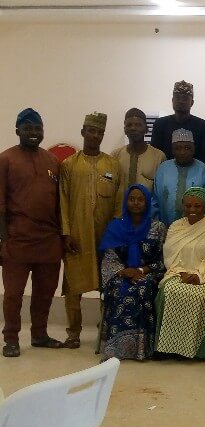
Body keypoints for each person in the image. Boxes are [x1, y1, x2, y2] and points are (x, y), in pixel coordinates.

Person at [1, 108, 64, 357]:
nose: (33, 133)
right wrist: (3, 239)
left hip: (48, 241)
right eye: (28, 128)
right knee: (13, 295)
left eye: (38, 129)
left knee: (45, 293)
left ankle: (39, 334)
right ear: (17, 130)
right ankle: (11, 339)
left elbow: (60, 204)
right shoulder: (5, 159)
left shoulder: (52, 162)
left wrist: (61, 236)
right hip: (17, 240)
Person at [60, 112, 124, 349]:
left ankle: (105, 329)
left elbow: (119, 202)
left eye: (99, 132)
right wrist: (66, 233)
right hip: (76, 236)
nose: (95, 135)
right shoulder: (69, 165)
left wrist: (116, 235)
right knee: (73, 286)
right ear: (83, 132)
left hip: (105, 237)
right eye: (91, 131)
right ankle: (73, 333)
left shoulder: (113, 165)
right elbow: (63, 201)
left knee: (107, 285)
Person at [154, 187, 205, 359]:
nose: (192, 210)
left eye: (197, 206)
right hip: (177, 274)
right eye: (188, 206)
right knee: (169, 291)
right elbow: (170, 256)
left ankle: (196, 351)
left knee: (199, 296)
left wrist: (199, 275)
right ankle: (167, 348)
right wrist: (182, 274)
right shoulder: (176, 226)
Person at [98, 184, 166, 360]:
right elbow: (109, 259)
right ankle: (115, 346)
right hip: (120, 274)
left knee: (142, 288)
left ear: (147, 203)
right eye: (132, 199)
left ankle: (141, 348)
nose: (136, 203)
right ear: (126, 201)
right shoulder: (115, 226)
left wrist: (140, 270)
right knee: (119, 290)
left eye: (141, 199)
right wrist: (123, 271)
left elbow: (161, 261)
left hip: (147, 274)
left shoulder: (157, 228)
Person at [151, 129, 205, 227]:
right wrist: (158, 225)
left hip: (196, 228)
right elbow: (155, 200)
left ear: (194, 148)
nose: (182, 152)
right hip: (166, 228)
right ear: (172, 150)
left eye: (187, 148)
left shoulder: (204, 170)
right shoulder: (163, 169)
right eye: (177, 148)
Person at [150, 80, 205, 164]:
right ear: (172, 100)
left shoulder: (202, 126)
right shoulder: (160, 124)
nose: (181, 101)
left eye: (185, 98)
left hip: (195, 174)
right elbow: (155, 155)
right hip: (165, 173)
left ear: (192, 103)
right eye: (178, 97)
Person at [111, 108, 165, 191]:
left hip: (149, 204)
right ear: (125, 130)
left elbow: (161, 190)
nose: (133, 128)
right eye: (129, 125)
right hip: (121, 204)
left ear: (146, 129)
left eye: (138, 125)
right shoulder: (115, 155)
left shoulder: (159, 157)